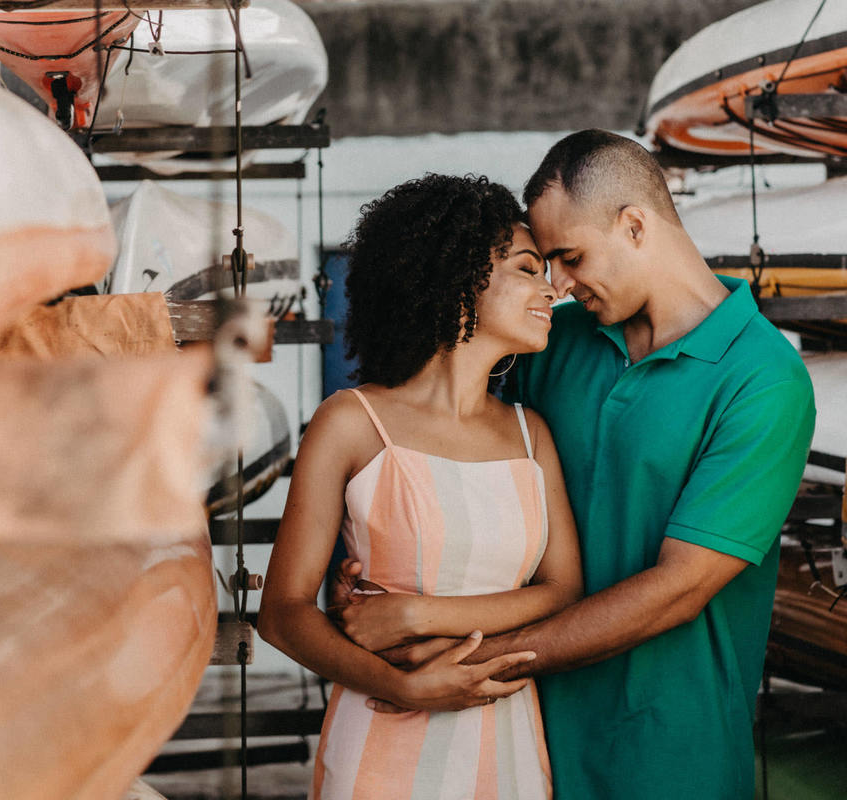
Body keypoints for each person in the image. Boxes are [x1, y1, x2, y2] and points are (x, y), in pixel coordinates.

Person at [334, 130, 816, 798]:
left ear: (635, 226)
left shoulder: (764, 380)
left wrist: (463, 661)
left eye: (570, 256)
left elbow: (679, 588)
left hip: (669, 748)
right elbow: (443, 462)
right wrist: (377, 573)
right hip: (515, 738)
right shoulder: (550, 343)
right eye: (543, 262)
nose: (557, 283)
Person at [258, 173, 584, 800]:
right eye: (527, 269)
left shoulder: (530, 433)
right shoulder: (351, 422)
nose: (551, 289)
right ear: (459, 282)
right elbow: (282, 611)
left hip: (506, 745)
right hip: (382, 740)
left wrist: (417, 614)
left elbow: (563, 590)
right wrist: (404, 687)